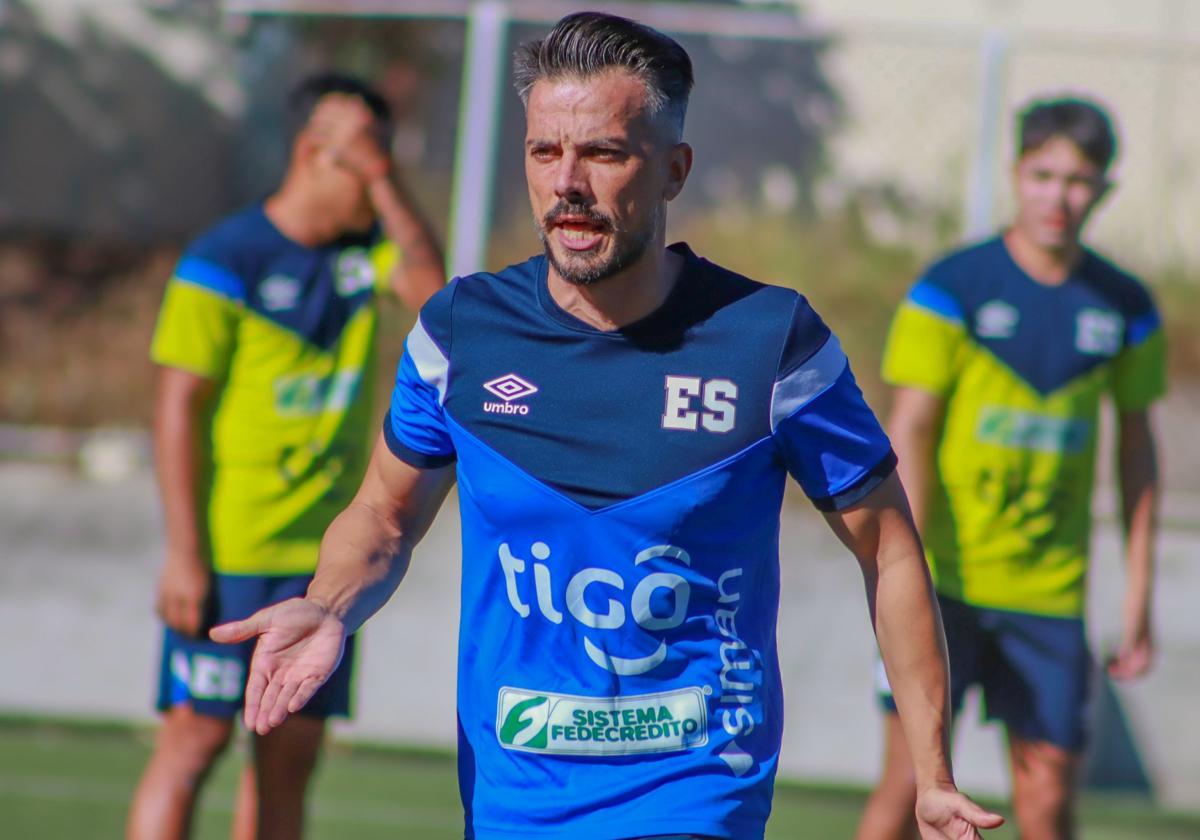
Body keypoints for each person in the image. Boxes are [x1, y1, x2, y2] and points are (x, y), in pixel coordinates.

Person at [211, 14, 1001, 840]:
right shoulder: (460, 334)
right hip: (512, 795)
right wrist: (329, 605)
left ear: (673, 170)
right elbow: (384, 514)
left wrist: (931, 771)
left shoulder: (769, 342)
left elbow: (889, 544)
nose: (568, 184)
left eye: (604, 153)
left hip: (696, 789)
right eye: (545, 152)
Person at [127, 73, 445, 840]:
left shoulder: (364, 253)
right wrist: (183, 555)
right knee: (195, 741)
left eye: (387, 162)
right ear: (313, 153)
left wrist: (380, 175)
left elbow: (437, 297)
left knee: (290, 752)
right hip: (232, 552)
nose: (380, 179)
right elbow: (176, 411)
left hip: (326, 567)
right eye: (365, 158)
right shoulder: (223, 258)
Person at [856, 97, 1165, 840]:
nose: (1058, 197)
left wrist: (1138, 592)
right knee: (908, 788)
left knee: (1049, 798)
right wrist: (904, 578)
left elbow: (1136, 450)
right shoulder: (952, 289)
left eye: (1079, 180)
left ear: (1103, 190)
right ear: (1015, 174)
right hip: (943, 587)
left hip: (1049, 596)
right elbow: (910, 435)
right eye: (1043, 175)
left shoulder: (1125, 309)